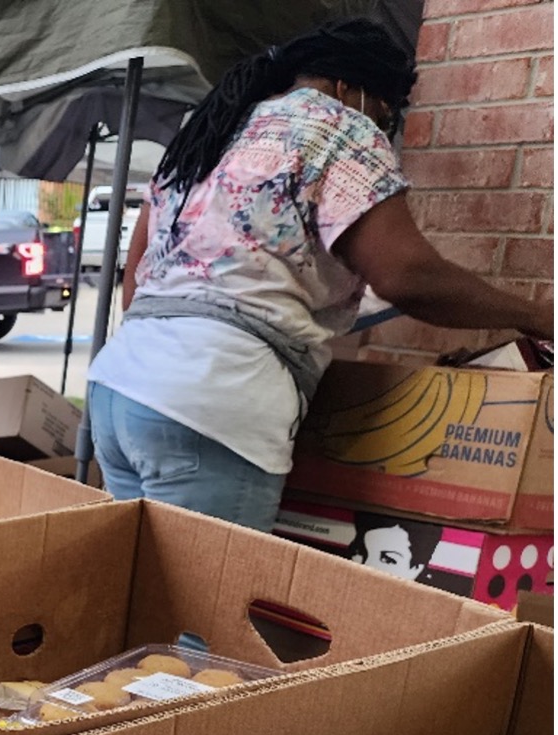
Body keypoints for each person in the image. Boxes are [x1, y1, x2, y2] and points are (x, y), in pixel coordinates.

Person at [86, 18, 553, 533]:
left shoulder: (215, 125)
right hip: (211, 400)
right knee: (204, 607)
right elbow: (406, 276)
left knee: (135, 594)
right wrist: (536, 315)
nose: (384, 126)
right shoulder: (342, 126)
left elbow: (139, 270)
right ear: (349, 89)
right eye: (385, 111)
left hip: (120, 387)